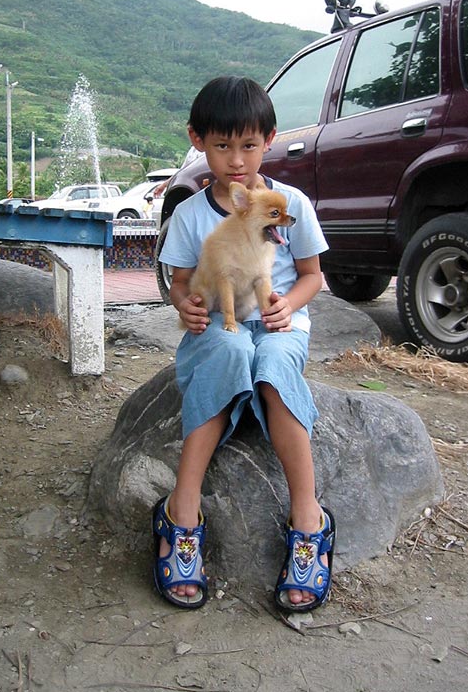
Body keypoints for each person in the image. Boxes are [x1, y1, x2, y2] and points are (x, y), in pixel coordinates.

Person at [153, 75, 335, 613]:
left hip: (278, 326)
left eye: (249, 145)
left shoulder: (289, 202)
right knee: (230, 352)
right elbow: (180, 283)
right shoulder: (191, 214)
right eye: (221, 146)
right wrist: (185, 305)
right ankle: (183, 509)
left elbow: (312, 275)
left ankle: (309, 518)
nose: (236, 160)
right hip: (217, 327)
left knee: (275, 364)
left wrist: (290, 305)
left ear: (270, 140)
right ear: (197, 140)